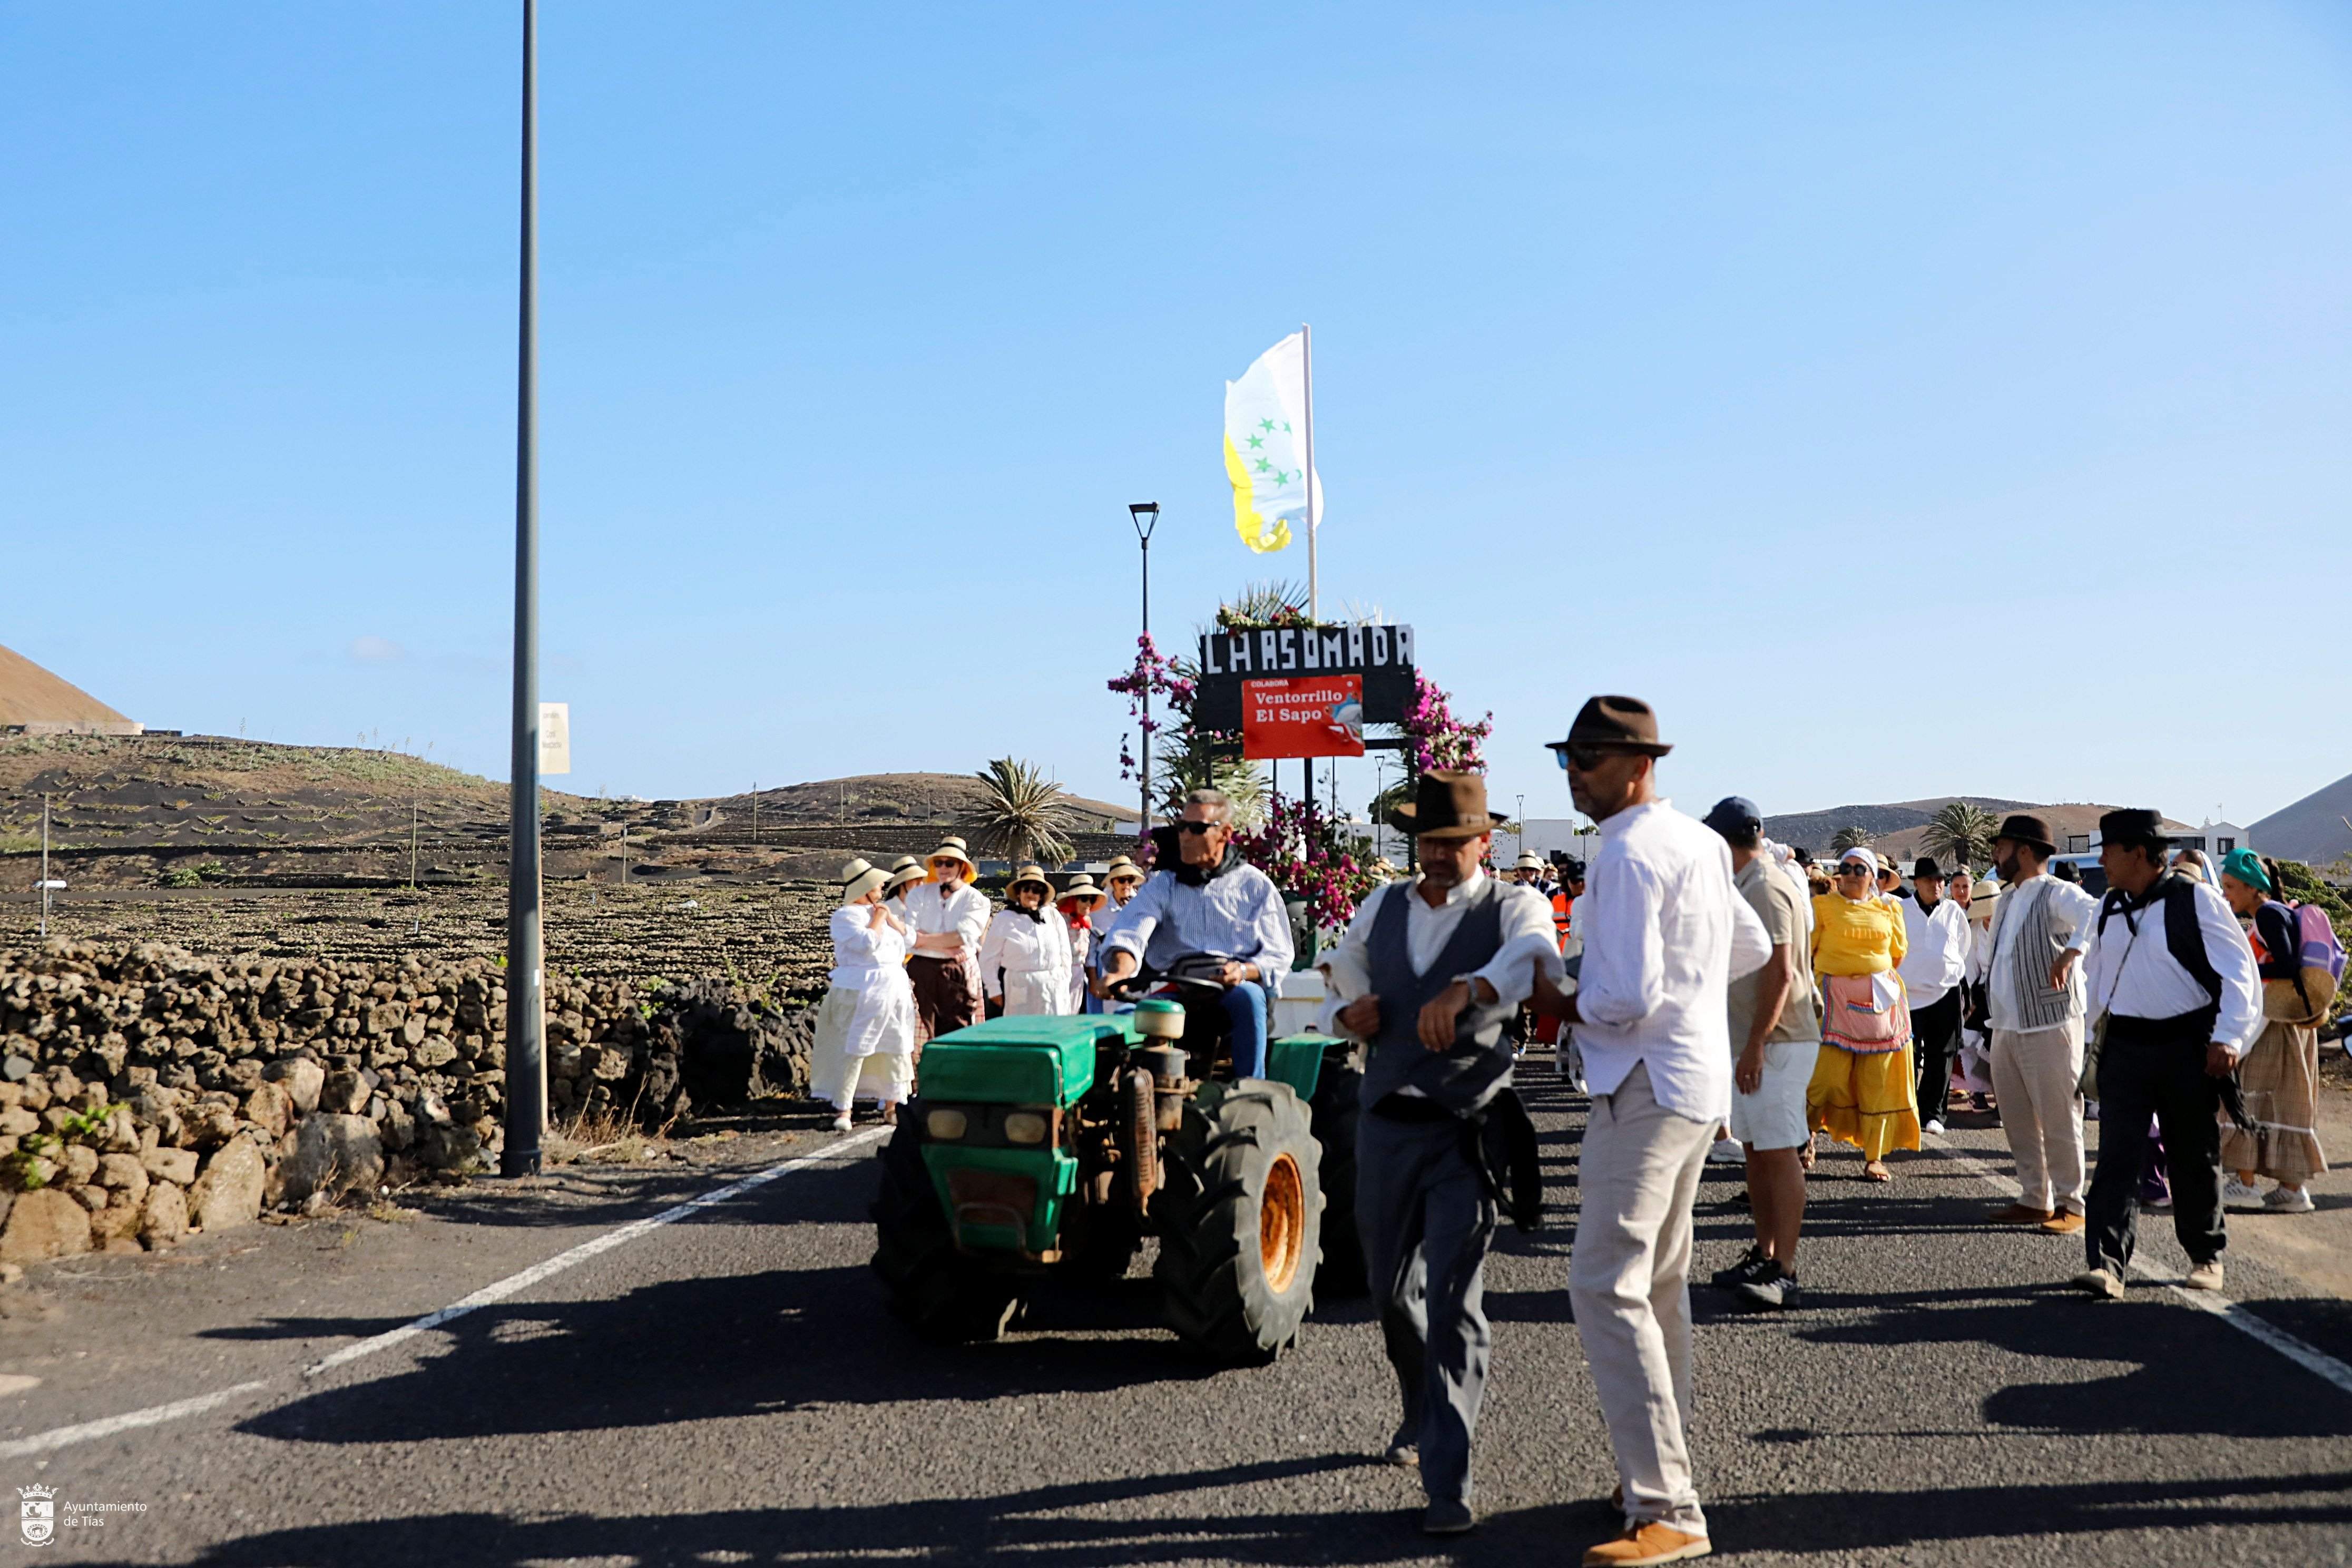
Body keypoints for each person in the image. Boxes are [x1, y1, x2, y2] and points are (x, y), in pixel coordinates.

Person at [1528, 697, 1769, 1567]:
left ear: (1637, 766)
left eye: (1587, 758)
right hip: (1690, 1083)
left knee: (1605, 1284)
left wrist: (1558, 1001)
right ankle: (1657, 1475)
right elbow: (1748, 946)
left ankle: (1667, 1503)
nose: (1574, 774)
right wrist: (1686, 995)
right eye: (1568, 758)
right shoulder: (1698, 842)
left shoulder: (1628, 853)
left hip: (1644, 1084)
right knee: (1657, 1285)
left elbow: (1622, 997)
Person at [1317, 771, 1555, 1536]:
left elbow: (1533, 956)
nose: (1439, 854)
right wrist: (1345, 1011)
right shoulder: (1384, 903)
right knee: (1391, 1295)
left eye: (1454, 842)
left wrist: (1471, 989)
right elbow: (1342, 962)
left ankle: (1448, 1480)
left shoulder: (1511, 906)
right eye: (1428, 841)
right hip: (1385, 1125)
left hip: (1466, 1129)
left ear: (1485, 842)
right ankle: (1418, 1405)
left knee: (1454, 1302)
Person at [2071, 811, 2262, 1298]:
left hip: (2186, 1048)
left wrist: (2229, 1038)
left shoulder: (2195, 900)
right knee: (2116, 1159)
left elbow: (2240, 973)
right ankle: (2107, 1266)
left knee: (2193, 1155)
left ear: (2138, 853)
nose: (2101, 861)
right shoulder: (2109, 905)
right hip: (2125, 1048)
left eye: (2108, 851)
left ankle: (2206, 1255)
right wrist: (2093, 1040)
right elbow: (2097, 976)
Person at [1703, 797, 1819, 1311]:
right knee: (1756, 1150)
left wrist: (1755, 1043)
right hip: (1757, 1040)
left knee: (1778, 1151)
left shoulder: (1767, 887)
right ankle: (1766, 1253)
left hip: (1778, 1040)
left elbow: (1781, 972)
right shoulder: (1748, 884)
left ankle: (1785, 1269)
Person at [1094, 789, 1293, 1077]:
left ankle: (1251, 1088)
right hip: (1178, 986)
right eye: (1182, 827)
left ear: (1225, 834)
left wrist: (1242, 971)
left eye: (1197, 829)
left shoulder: (1256, 885)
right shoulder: (1165, 884)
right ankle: (1133, 1090)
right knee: (1130, 1017)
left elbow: (1278, 954)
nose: (1186, 836)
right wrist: (1119, 972)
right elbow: (1131, 930)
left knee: (1249, 998)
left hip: (1231, 988)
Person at [1981, 814, 2100, 1232]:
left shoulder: (2056, 892)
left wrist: (2072, 952)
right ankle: (2035, 1198)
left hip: (2049, 1023)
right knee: (2017, 1119)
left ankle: (2072, 1204)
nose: (1996, 857)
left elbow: (2094, 912)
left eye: (2001, 848)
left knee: (2059, 1117)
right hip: (2007, 1025)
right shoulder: (2007, 900)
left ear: (2025, 851)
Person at [2216, 848, 2328, 1214]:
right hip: (2292, 1023)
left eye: (2231, 887)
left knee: (2247, 1093)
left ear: (2252, 887)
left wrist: (2246, 970)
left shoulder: (2266, 915)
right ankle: (2292, 1191)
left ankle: (2246, 1184)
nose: (2226, 895)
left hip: (2275, 1026)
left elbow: (2287, 966)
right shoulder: (2276, 911)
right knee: (2288, 1101)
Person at [1806, 846, 1918, 1181]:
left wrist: (1868, 975)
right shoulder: (1822, 907)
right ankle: (1803, 1137)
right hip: (1832, 1003)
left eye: (1860, 869)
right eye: (1846, 868)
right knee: (1824, 1078)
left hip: (1880, 1007)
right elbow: (1807, 951)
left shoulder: (1890, 909)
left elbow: (1897, 955)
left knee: (1877, 1083)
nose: (1852, 875)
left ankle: (1874, 1157)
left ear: (1874, 877)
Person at [810, 859, 918, 1133]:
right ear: (865, 888)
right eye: (878, 884)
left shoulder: (883, 911)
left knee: (896, 1044)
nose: (882, 887)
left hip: (893, 988)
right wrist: (879, 919)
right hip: (861, 989)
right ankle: (844, 1107)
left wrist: (890, 919)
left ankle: (893, 1105)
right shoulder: (845, 916)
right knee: (854, 1047)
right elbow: (865, 944)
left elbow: (910, 940)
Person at [1900, 857, 1973, 1136]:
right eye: (1930, 880)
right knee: (1908, 1054)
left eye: (1940, 880)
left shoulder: (1953, 910)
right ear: (1917, 883)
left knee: (1942, 1055)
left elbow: (1963, 945)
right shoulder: (1901, 909)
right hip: (1909, 994)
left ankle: (1933, 1114)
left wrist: (1948, 968)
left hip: (1945, 992)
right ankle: (1906, 1108)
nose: (1936, 885)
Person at [901, 837, 992, 1044]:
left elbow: (963, 936)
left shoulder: (976, 899)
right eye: (939, 863)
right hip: (922, 970)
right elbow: (909, 936)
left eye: (949, 863)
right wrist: (948, 947)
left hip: (959, 970)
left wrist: (922, 939)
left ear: (962, 867)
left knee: (960, 1031)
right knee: (919, 1035)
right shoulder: (918, 894)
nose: (943, 868)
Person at [978, 864, 1077, 1017]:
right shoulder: (1005, 919)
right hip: (1020, 986)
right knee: (1022, 1029)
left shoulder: (1054, 916)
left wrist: (1064, 980)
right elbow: (988, 958)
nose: (1031, 893)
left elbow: (1065, 953)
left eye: (1036, 890)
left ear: (1042, 895)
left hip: (1053, 988)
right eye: (1026, 889)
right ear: (1019, 892)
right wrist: (994, 989)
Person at [1957, 878, 2001, 1112]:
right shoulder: (1974, 932)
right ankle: (1977, 1091)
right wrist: (1971, 1002)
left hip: (2004, 992)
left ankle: (2003, 1096)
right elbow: (1971, 968)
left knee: (2000, 1046)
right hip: (1982, 992)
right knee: (1969, 1041)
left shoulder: (2008, 929)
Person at [1054, 874, 1107, 1014]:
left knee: (1074, 1012)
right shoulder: (1060, 920)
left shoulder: (1086, 921)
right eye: (1084, 899)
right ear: (1073, 900)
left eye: (1092, 900)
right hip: (1061, 971)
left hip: (1079, 972)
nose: (1088, 903)